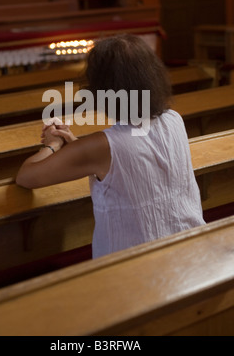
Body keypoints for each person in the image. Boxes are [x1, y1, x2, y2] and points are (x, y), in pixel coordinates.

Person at [16, 34, 206, 258]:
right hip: (192, 250)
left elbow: (26, 176)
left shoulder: (101, 147)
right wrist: (79, 147)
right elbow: (132, 163)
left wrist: (51, 145)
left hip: (136, 270)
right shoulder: (173, 119)